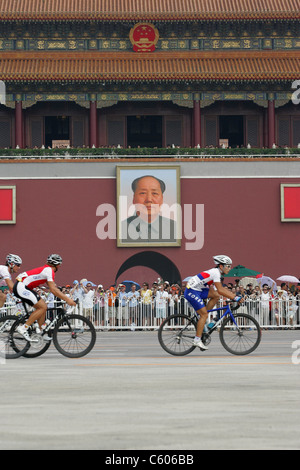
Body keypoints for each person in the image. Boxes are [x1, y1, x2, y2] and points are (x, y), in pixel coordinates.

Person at [184, 255, 243, 350]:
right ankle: (197, 340)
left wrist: (229, 296)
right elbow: (220, 289)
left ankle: (203, 315)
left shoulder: (215, 272)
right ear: (221, 266)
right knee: (204, 315)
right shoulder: (216, 273)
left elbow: (214, 290)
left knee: (215, 296)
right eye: (228, 266)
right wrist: (235, 297)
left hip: (198, 289)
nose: (229, 268)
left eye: (230, 266)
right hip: (192, 291)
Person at [13, 254, 76, 342]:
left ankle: (40, 331)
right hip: (22, 287)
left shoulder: (46, 270)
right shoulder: (49, 270)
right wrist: (68, 299)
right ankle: (23, 328)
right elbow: (53, 290)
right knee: (42, 307)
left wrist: (63, 297)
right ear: (57, 265)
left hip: (22, 286)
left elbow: (53, 287)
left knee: (43, 306)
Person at [121, 175, 177, 243]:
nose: (149, 199)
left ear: (162, 199)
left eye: (155, 193)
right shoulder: (119, 229)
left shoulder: (176, 229)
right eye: (143, 193)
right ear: (134, 199)